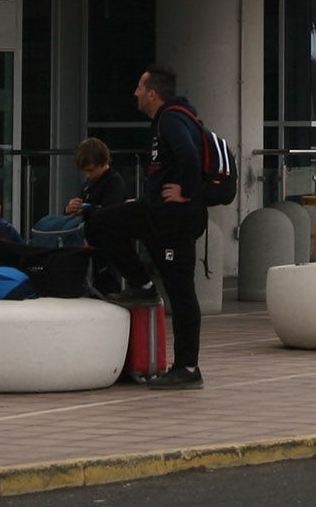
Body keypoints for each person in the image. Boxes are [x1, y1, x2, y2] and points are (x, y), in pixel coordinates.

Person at [91, 66, 210, 389]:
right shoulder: (168, 120)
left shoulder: (172, 119)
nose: (135, 93)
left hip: (175, 220)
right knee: (102, 222)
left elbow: (187, 155)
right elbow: (169, 165)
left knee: (181, 291)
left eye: (140, 88)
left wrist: (186, 191)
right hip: (157, 213)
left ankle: (187, 367)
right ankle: (143, 284)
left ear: (153, 93)